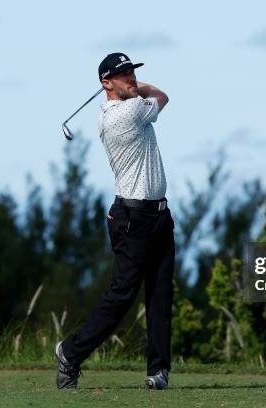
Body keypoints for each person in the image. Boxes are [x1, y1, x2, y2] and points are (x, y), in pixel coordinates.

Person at [55, 52, 174, 390]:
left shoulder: (132, 102)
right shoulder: (121, 115)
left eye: (132, 73)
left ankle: (158, 371)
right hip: (132, 218)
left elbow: (160, 98)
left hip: (160, 215)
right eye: (122, 75)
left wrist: (134, 85)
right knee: (122, 296)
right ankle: (70, 352)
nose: (130, 78)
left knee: (161, 295)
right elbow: (161, 96)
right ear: (105, 84)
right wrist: (138, 89)